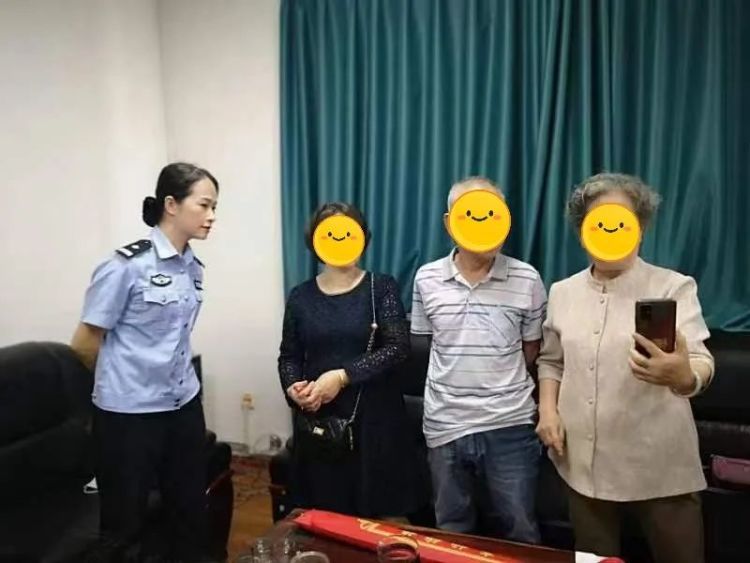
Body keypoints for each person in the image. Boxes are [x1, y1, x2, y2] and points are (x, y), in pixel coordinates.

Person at [536, 172, 714, 563]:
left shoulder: (672, 287)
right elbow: (551, 360)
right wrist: (548, 411)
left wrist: (683, 376)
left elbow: (701, 362)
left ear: (640, 228)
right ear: (582, 232)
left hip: (660, 467)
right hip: (581, 465)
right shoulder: (562, 292)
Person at [71, 162, 219, 562]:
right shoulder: (125, 266)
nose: (211, 216)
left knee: (190, 512)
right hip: (129, 415)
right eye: (204, 205)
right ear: (171, 204)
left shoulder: (192, 267)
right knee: (124, 525)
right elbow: (84, 344)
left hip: (183, 405)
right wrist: (123, 382)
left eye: (214, 207)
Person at [410, 177, 547, 543]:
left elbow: (531, 350)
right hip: (445, 424)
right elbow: (430, 341)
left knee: (520, 530)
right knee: (451, 530)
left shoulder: (527, 278)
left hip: (510, 423)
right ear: (449, 223)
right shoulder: (426, 278)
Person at [277, 202, 418, 518]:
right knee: (323, 520)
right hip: (322, 423)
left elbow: (398, 348)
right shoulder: (300, 296)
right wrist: (293, 388)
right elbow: (289, 356)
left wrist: (342, 376)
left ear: (362, 237)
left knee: (382, 522)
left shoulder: (380, 287)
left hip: (375, 422)